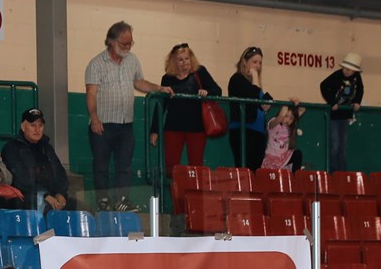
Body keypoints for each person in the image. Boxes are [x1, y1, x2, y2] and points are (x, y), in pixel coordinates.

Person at [84, 21, 173, 211]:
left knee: (124, 166)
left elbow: (139, 83)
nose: (128, 47)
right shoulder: (96, 64)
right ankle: (103, 200)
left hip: (126, 124)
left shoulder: (132, 60)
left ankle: (122, 200)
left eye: (130, 43)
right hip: (103, 123)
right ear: (111, 41)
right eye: (124, 43)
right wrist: (95, 118)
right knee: (101, 165)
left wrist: (159, 88)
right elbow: (91, 93)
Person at [148, 43, 222, 175]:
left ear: (191, 59)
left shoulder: (200, 72)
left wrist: (207, 92)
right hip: (173, 127)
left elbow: (218, 91)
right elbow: (161, 105)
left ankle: (194, 195)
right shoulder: (167, 78)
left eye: (187, 58)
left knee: (196, 166)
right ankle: (173, 194)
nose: (184, 62)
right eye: (180, 59)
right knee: (171, 166)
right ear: (174, 62)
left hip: (197, 127)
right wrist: (154, 130)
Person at [0, 109, 75, 212]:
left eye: (40, 126)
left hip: (51, 198)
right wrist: (43, 194)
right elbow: (19, 179)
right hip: (26, 199)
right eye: (33, 125)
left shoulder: (47, 148)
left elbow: (60, 172)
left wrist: (60, 193)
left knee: (78, 208)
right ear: (23, 127)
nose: (37, 129)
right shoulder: (12, 148)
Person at [226, 46, 274, 170]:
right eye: (254, 62)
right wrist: (255, 76)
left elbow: (262, 101)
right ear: (245, 62)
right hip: (243, 130)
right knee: (245, 169)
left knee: (255, 170)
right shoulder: (236, 79)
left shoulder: (255, 84)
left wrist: (267, 103)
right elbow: (253, 96)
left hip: (258, 132)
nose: (257, 66)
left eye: (260, 63)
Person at [318, 53, 364, 172]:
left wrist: (357, 102)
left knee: (343, 146)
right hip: (334, 115)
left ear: (354, 71)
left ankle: (343, 172)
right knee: (335, 144)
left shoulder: (356, 78)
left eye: (350, 70)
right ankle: (334, 171)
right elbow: (323, 85)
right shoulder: (337, 75)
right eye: (345, 68)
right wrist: (332, 102)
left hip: (345, 115)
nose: (347, 71)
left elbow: (360, 89)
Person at [260, 102, 306, 172]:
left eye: (291, 118)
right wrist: (287, 103)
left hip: (283, 158)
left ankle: (295, 179)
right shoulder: (273, 124)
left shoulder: (290, 128)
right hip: (272, 159)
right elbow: (281, 116)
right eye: (286, 116)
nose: (288, 120)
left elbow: (302, 109)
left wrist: (296, 102)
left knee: (297, 153)